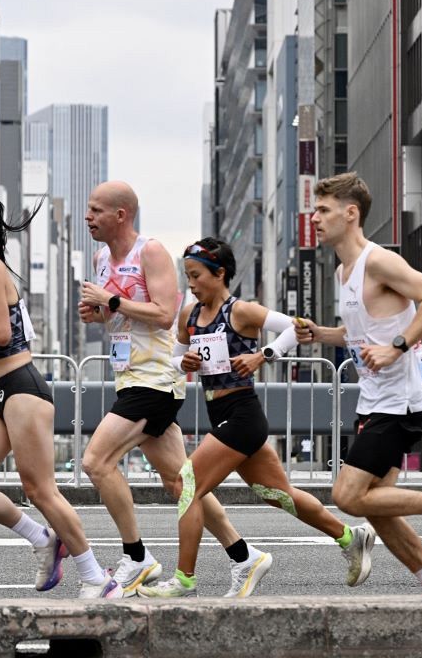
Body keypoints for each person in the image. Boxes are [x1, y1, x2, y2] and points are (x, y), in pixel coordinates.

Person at [139, 237, 374, 597]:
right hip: (219, 414)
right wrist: (182, 362)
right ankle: (349, 537)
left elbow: (296, 327)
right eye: (187, 276)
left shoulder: (241, 311)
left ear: (219, 274)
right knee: (278, 495)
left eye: (197, 276)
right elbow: (175, 359)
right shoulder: (189, 315)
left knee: (188, 484)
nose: (192, 284)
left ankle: (184, 579)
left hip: (243, 415)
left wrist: (262, 355)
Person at [296, 172, 422, 595]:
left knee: (348, 496)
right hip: (374, 399)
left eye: (323, 210)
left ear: (351, 213)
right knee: (378, 509)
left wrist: (397, 348)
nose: (315, 219)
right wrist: (321, 334)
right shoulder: (343, 272)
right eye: (315, 211)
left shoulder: (378, 261)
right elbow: (361, 334)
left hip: (400, 401)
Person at [78, 181, 268, 597]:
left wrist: (110, 301)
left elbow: (166, 314)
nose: (88, 217)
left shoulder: (150, 252)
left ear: (120, 215)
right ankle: (244, 555)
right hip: (128, 374)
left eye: (95, 210)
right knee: (182, 482)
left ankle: (137, 555)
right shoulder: (100, 258)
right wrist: (98, 314)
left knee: (96, 461)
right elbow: (117, 314)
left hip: (156, 379)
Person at [0, 193, 121, 599]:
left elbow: (2, 333)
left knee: (40, 490)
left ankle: (97, 578)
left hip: (22, 389)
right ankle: (42, 539)